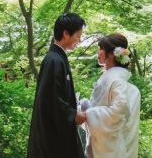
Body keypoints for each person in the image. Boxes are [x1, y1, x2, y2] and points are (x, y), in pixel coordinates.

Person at [27, 12, 87, 158]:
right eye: (78, 36)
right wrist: (72, 115)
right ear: (66, 34)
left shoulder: (57, 58)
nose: (79, 40)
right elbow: (49, 98)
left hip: (55, 131)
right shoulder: (53, 60)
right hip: (51, 137)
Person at [83, 33, 141, 158]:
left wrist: (89, 113)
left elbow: (118, 113)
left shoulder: (115, 80)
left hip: (112, 149)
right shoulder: (113, 79)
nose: (97, 53)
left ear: (111, 54)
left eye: (100, 49)